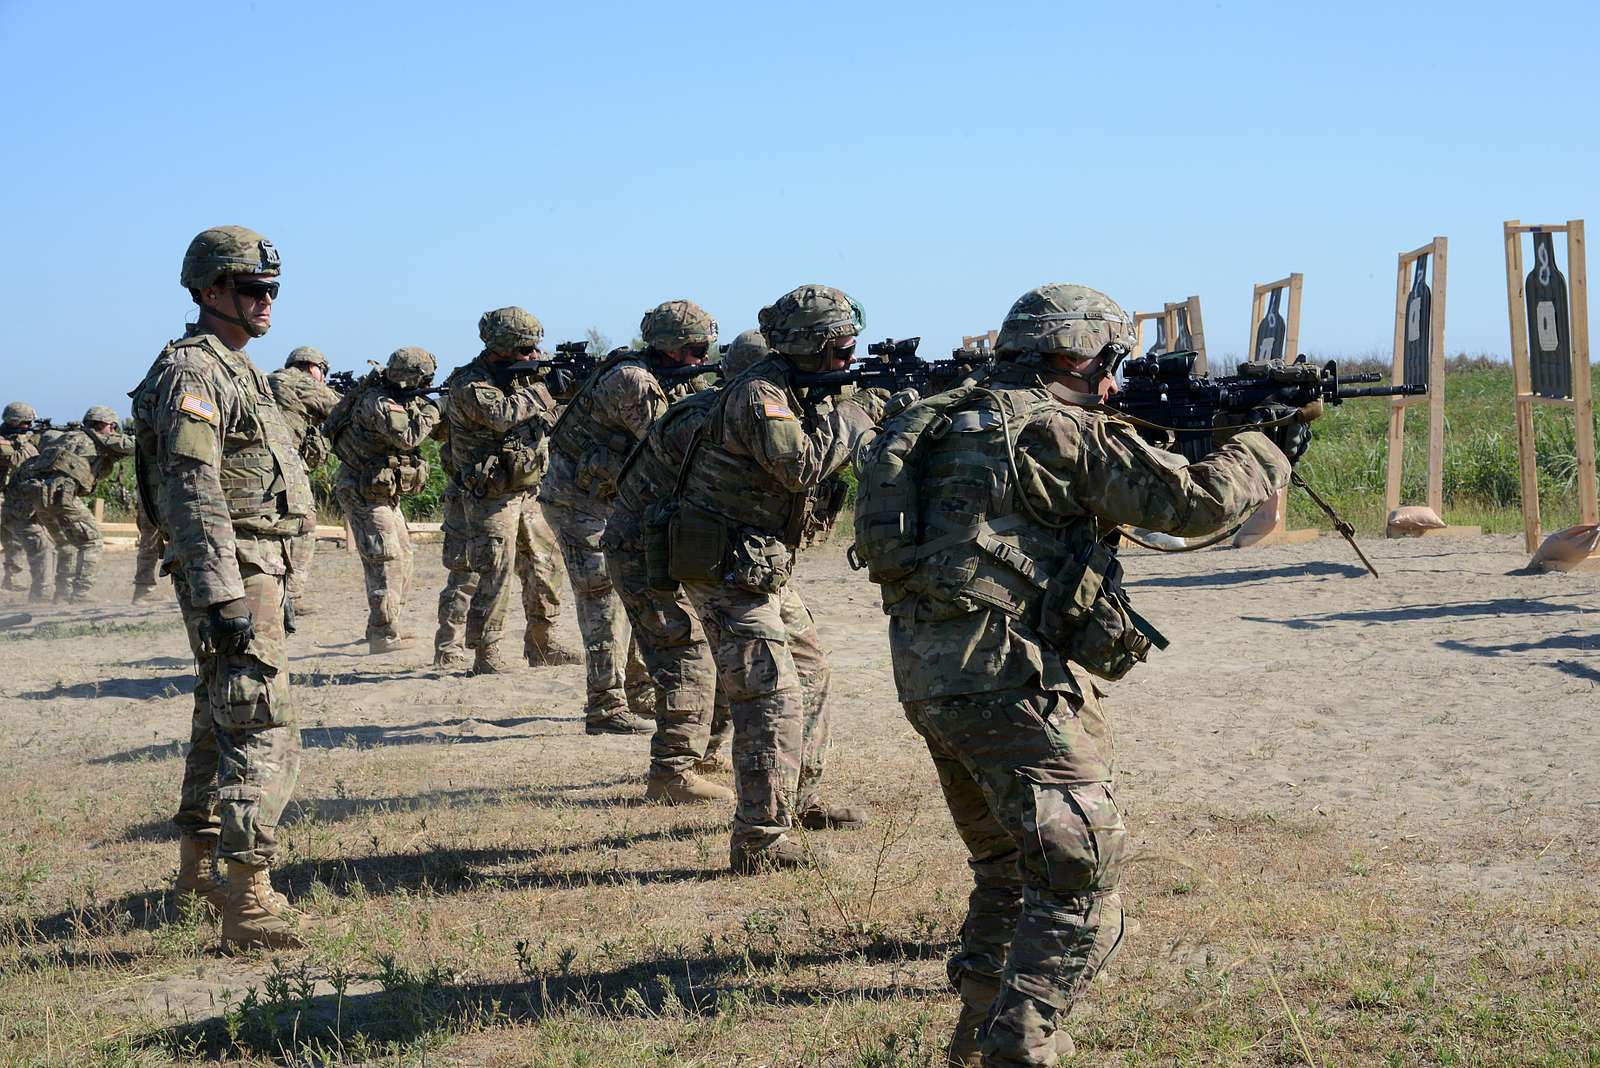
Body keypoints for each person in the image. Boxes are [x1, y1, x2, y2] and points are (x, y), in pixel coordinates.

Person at [852, 283, 1302, 1065]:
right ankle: (1018, 1050)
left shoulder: (934, 418)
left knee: (1007, 870)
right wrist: (1263, 447)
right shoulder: (1052, 431)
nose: (1111, 381)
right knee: (1081, 882)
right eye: (1107, 360)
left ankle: (975, 1033)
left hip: (932, 678)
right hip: (1011, 683)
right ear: (1073, 354)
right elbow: (1193, 504)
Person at [129, 225, 318, 951]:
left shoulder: (239, 369)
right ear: (210, 292)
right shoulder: (194, 373)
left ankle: (196, 875)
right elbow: (189, 484)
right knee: (261, 725)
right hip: (235, 568)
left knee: (221, 718)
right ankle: (250, 897)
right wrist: (222, 590)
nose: (267, 301)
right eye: (251, 289)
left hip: (256, 566)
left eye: (272, 289)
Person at [668, 285, 888, 873]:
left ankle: (797, 800)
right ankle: (760, 839)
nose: (848, 357)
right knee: (770, 694)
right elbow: (802, 467)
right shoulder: (760, 393)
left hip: (759, 562)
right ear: (809, 345)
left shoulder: (795, 386)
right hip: (725, 567)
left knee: (811, 673)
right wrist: (859, 412)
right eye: (841, 348)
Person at [601, 328, 774, 804]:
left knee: (719, 645)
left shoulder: (721, 408)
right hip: (645, 549)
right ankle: (671, 771)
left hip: (684, 547)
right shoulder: (705, 417)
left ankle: (704, 754)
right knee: (685, 650)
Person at [541, 300, 719, 735]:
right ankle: (604, 706)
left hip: (610, 500)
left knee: (639, 589)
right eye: (697, 350)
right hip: (578, 502)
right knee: (601, 597)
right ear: (673, 348)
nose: (702, 359)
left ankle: (639, 690)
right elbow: (667, 443)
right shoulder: (633, 380)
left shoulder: (652, 374)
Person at [436, 307, 564, 677]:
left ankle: (543, 643)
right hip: (489, 497)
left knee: (545, 568)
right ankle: (486, 653)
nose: (533, 357)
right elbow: (503, 414)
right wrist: (547, 389)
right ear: (502, 349)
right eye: (525, 350)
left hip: (528, 492)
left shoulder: (525, 379)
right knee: (494, 574)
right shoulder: (469, 384)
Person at [329, 347, 441, 654]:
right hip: (362, 491)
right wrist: (434, 410)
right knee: (385, 559)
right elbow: (407, 437)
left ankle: (387, 624)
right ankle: (383, 634)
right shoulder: (377, 401)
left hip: (381, 491)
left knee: (404, 555)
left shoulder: (394, 398)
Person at [10, 406, 133, 602]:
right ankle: (81, 593)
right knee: (92, 541)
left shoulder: (64, 437)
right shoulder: (101, 437)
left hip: (39, 497)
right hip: (61, 496)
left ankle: (61, 594)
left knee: (66, 544)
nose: (113, 431)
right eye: (112, 427)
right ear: (103, 425)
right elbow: (133, 445)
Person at [267, 346, 341, 617]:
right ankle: (292, 596)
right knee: (305, 526)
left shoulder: (268, 380)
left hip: (259, 465)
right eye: (322, 371)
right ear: (312, 366)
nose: (322, 377)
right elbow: (339, 410)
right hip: (287, 464)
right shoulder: (302, 382)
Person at [0, 402, 42, 595]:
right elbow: (16, 460)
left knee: (13, 540)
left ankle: (12, 579)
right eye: (26, 423)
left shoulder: (25, 441)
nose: (28, 426)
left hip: (13, 500)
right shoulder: (7, 443)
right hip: (5, 497)